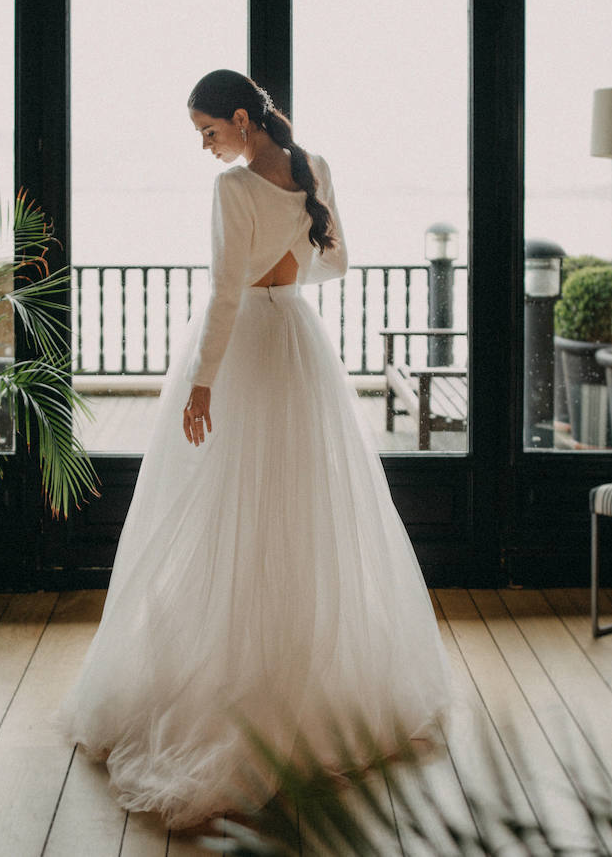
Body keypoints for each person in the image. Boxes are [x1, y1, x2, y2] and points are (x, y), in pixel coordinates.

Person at [57, 69, 451, 828]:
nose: (207, 149)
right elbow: (337, 261)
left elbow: (224, 294)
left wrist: (202, 384)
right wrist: (294, 263)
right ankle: (294, 671)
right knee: (301, 509)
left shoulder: (233, 192)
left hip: (245, 353)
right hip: (299, 344)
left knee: (219, 507)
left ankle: (237, 671)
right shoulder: (315, 169)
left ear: (242, 119)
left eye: (210, 132)